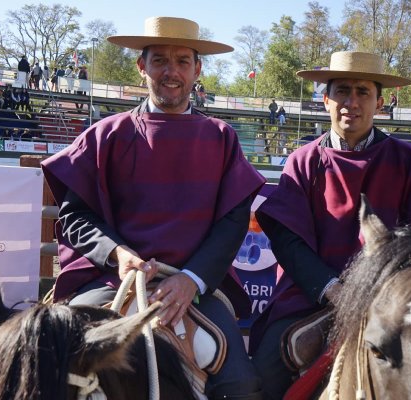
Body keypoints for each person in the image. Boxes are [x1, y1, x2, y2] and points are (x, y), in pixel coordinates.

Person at [40, 16, 265, 400]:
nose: (171, 72)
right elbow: (75, 218)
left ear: (198, 69)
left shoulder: (221, 137)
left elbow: (232, 224)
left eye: (182, 61)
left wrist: (190, 280)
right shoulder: (106, 135)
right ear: (141, 67)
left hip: (194, 287)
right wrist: (118, 254)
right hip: (111, 282)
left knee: (241, 386)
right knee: (57, 366)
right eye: (159, 60)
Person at [248, 51, 411, 400]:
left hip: (390, 301)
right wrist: (332, 289)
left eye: (363, 92)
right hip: (309, 297)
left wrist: (386, 295)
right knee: (261, 380)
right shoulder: (302, 161)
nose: (352, 102)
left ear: (379, 103)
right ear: (326, 99)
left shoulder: (408, 159)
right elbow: (287, 240)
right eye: (342, 91)